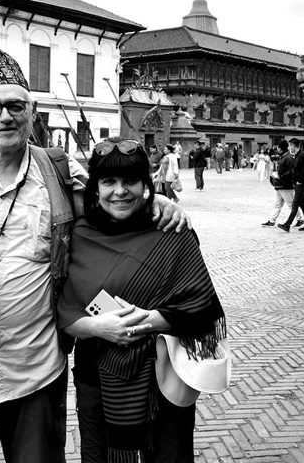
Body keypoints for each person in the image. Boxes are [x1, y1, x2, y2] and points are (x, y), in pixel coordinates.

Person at [0, 44, 189, 463]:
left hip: (36, 374)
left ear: (32, 112)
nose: (5, 117)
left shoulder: (59, 170)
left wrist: (154, 202)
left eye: (16, 106)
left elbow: (111, 198)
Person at [58, 138, 226, 463]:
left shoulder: (172, 232)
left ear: (145, 184)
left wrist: (144, 321)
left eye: (130, 181)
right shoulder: (80, 235)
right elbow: (65, 311)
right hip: (97, 378)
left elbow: (203, 307)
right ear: (95, 187)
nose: (120, 191)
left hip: (162, 378)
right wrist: (100, 327)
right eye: (109, 182)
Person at [261, 140, 304, 228]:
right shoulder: (285, 157)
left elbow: (292, 171)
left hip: (286, 186)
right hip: (280, 185)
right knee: (277, 204)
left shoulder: (288, 158)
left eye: (278, 148)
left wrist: (281, 176)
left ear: (280, 148)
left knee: (291, 204)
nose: (277, 149)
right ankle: (272, 220)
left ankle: (300, 220)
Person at [278, 138, 304, 232]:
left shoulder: (303, 155)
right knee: (303, 205)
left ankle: (287, 224)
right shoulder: (296, 156)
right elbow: (294, 170)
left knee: (295, 204)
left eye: (290, 145)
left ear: (294, 145)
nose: (289, 147)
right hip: (298, 183)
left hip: (301, 184)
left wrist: (300, 181)